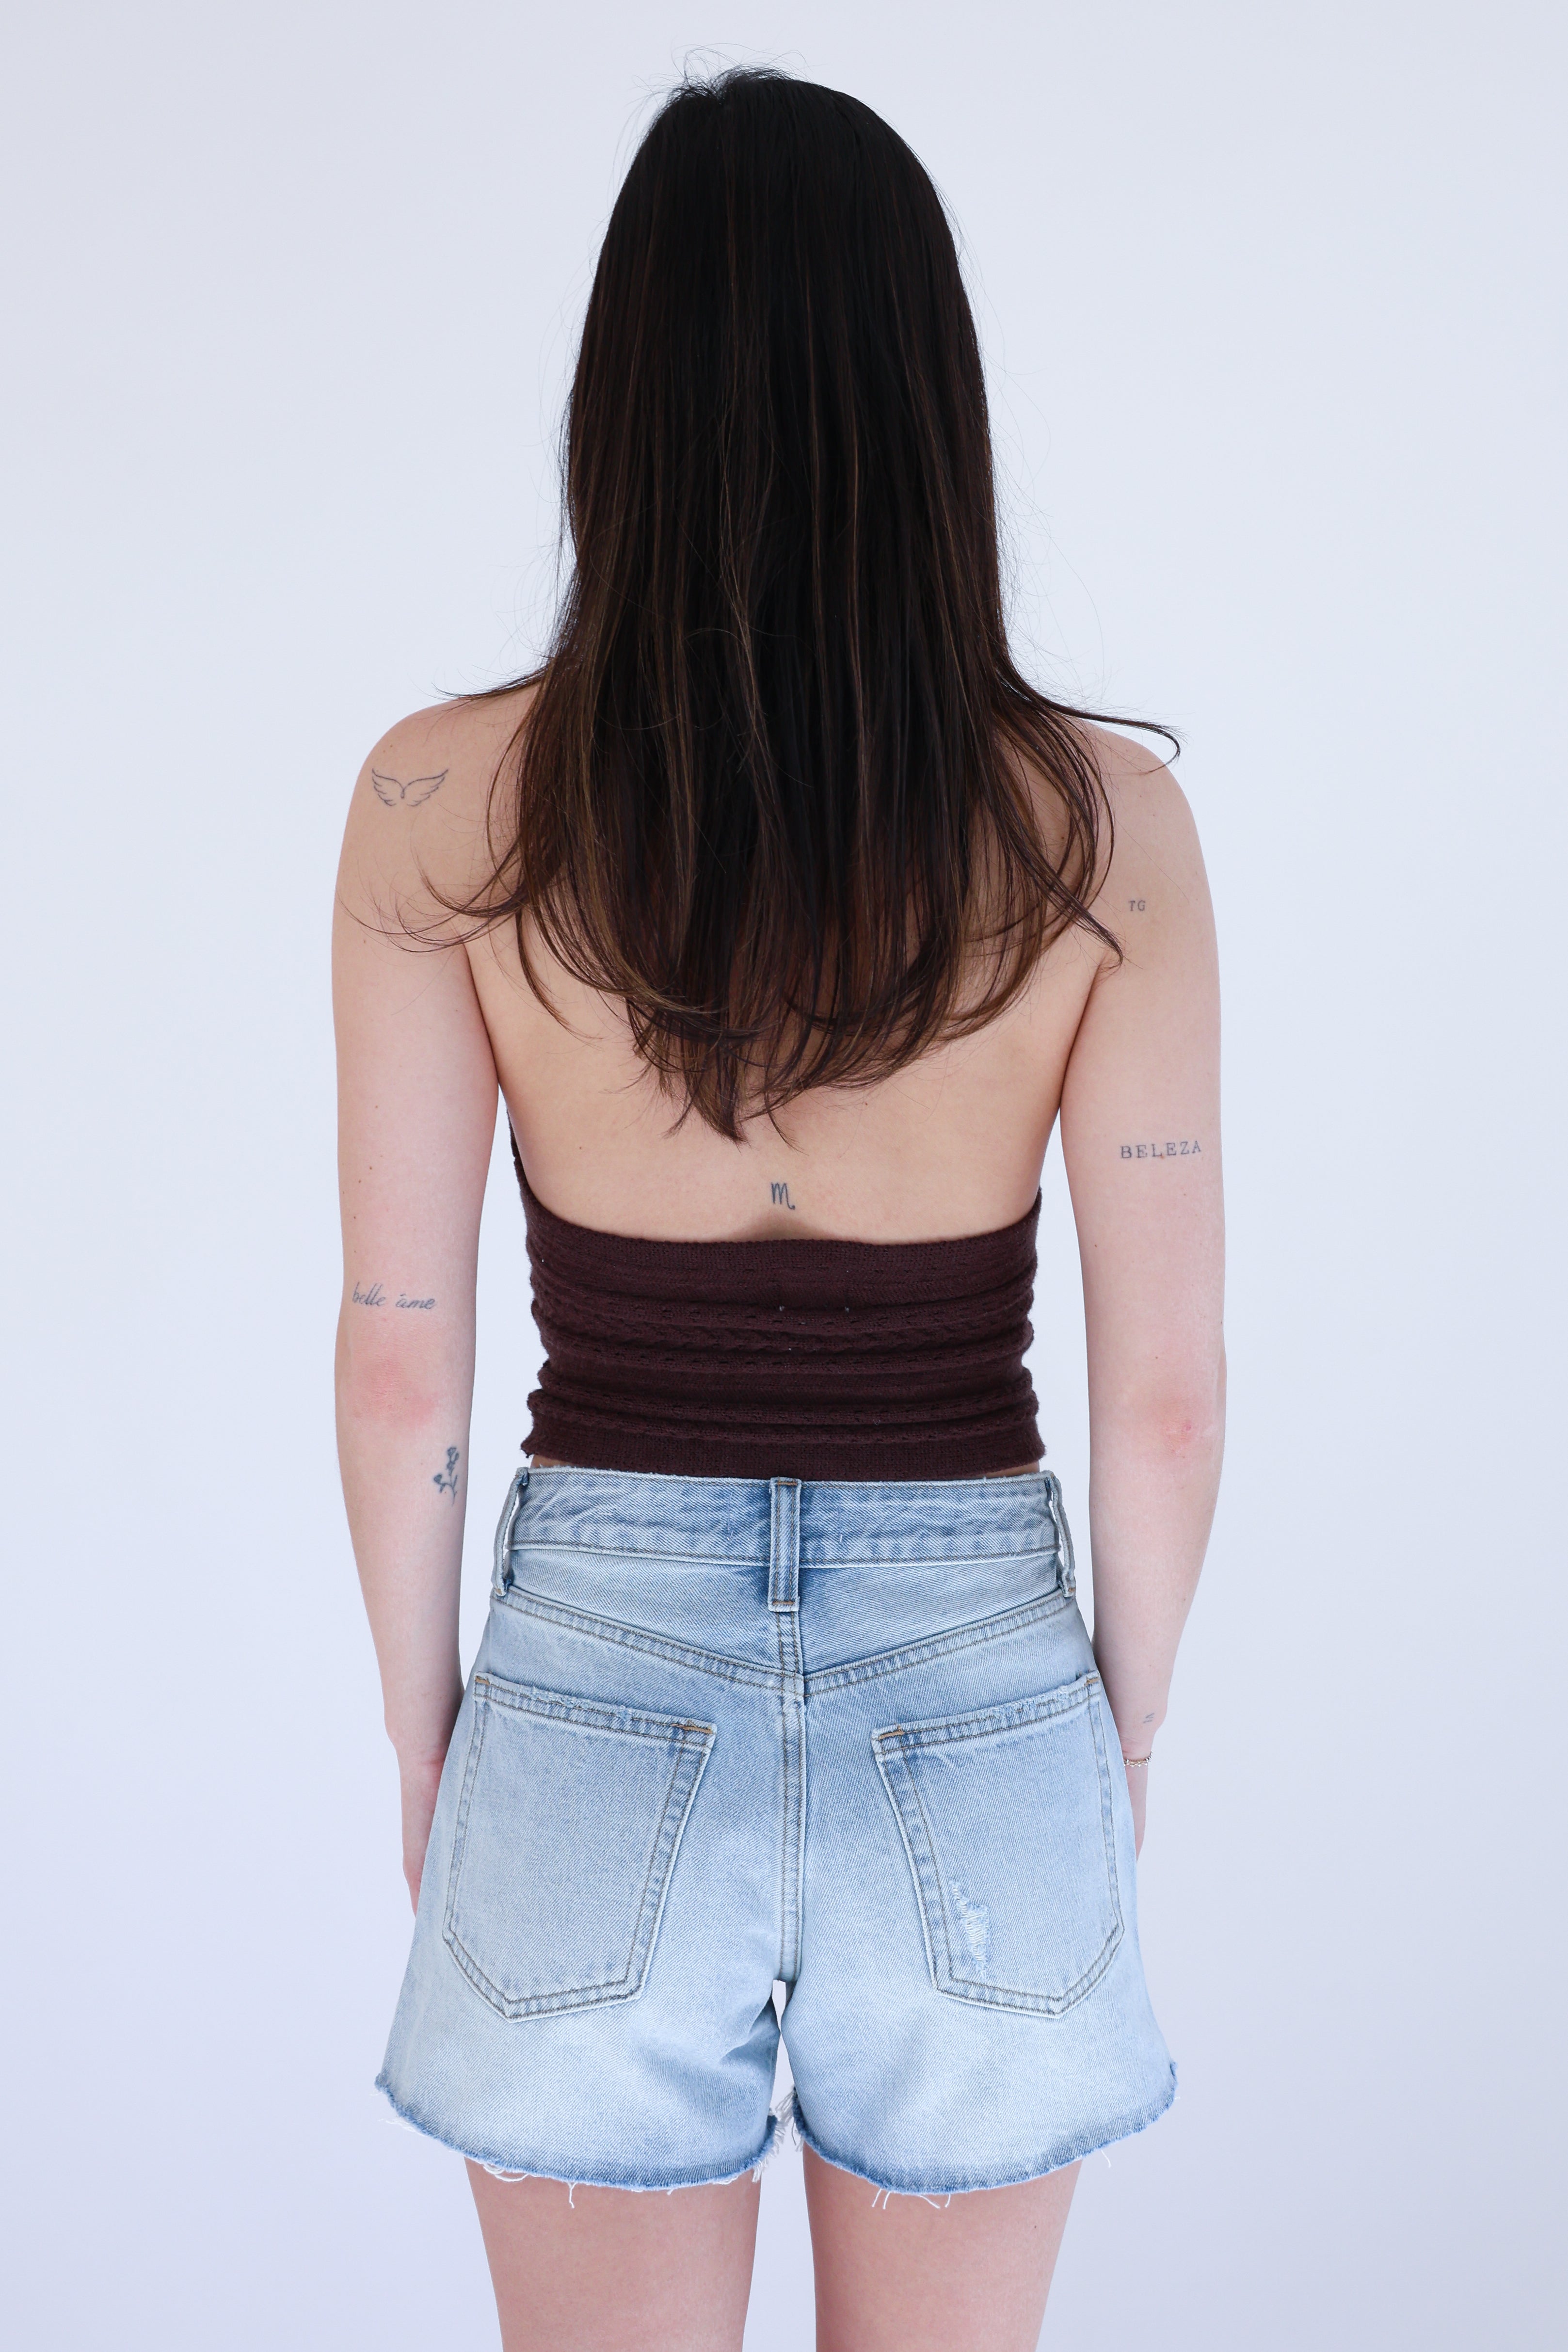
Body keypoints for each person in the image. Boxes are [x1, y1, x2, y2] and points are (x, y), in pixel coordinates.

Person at [333, 67, 1223, 2352]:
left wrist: (432, 1742)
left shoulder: (441, 804)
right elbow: (1165, 1400)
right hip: (983, 1686)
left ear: (616, 407)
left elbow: (402, 1355)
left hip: (588, 1682)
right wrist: (1104, 1742)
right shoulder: (1094, 835)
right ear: (929, 410)